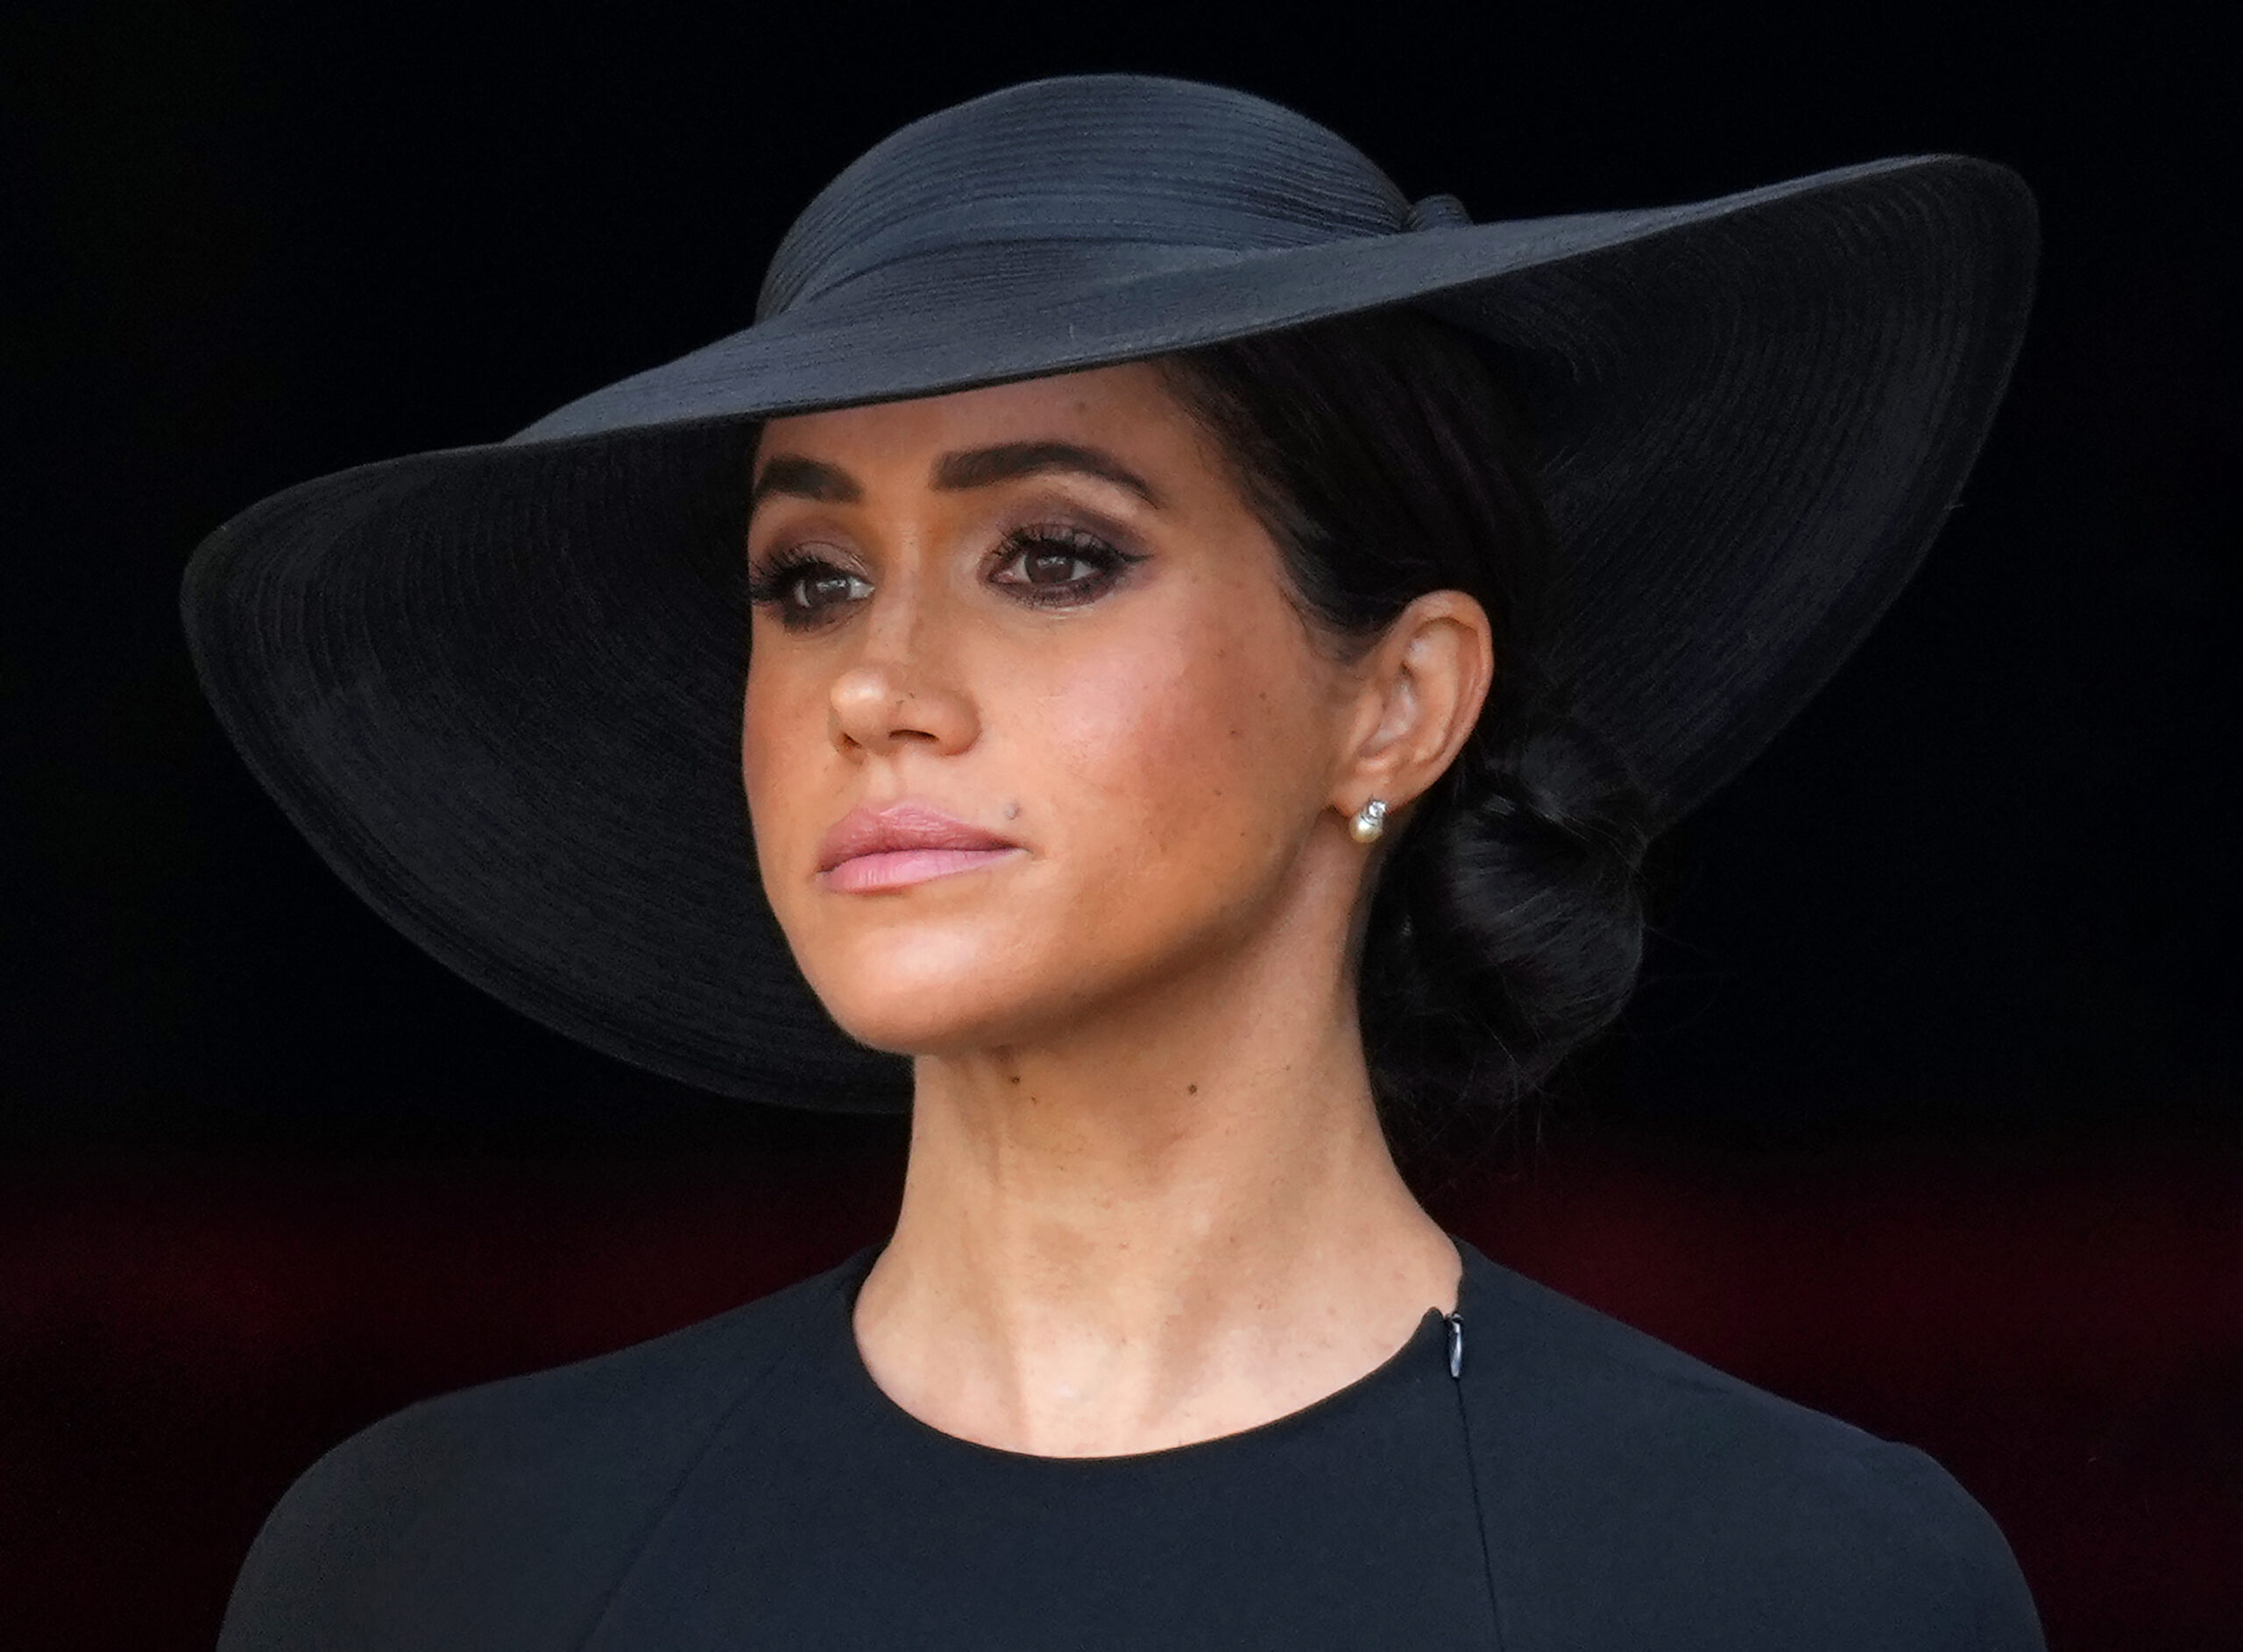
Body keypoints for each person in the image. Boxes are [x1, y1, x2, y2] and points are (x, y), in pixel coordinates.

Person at [185, 73, 2047, 1649]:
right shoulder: (433, 1568)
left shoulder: (1789, 1581)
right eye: (809, 581)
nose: (879, 688)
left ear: (1396, 701)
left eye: (1052, 555)